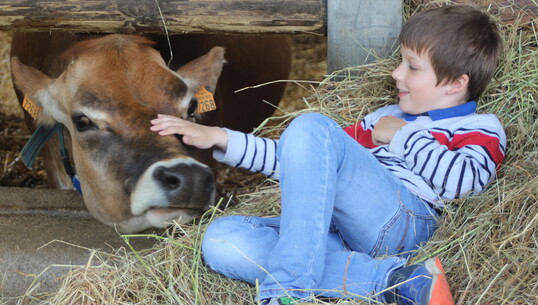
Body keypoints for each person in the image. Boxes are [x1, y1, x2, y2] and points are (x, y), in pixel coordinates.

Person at [150, 5, 505, 305]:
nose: (396, 73)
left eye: (412, 67)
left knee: (311, 127)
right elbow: (304, 162)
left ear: (456, 83)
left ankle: (286, 290)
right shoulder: (383, 117)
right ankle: (395, 282)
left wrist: (403, 136)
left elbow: (465, 183)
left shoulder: (479, 126)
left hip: (404, 222)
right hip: (338, 231)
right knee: (222, 241)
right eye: (401, 62)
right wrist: (219, 137)